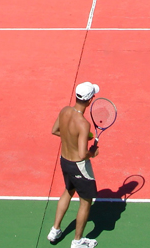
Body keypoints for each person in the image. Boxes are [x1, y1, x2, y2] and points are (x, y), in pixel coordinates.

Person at [47, 82, 101, 247]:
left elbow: (55, 130)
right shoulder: (83, 124)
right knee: (86, 201)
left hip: (64, 162)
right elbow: (81, 154)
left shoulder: (64, 110)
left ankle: (55, 230)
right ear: (90, 100)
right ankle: (77, 241)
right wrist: (92, 152)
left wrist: (75, 139)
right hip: (79, 167)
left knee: (68, 191)